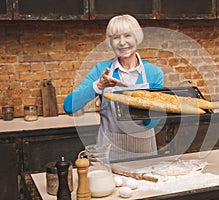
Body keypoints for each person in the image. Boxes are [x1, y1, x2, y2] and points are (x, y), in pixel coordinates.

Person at [63, 14, 164, 161]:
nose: (122, 43)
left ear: (136, 37)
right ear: (110, 42)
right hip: (108, 152)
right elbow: (69, 106)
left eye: (127, 35)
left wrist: (149, 105)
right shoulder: (102, 70)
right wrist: (98, 86)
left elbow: (152, 123)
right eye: (116, 37)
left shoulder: (153, 73)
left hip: (143, 152)